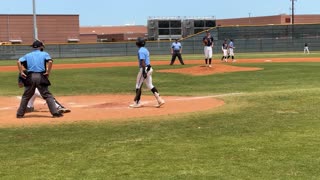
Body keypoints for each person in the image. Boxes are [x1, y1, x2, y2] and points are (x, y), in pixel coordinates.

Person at [16, 40, 63, 118]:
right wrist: (48, 72)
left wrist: (21, 72)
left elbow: (18, 62)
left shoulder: (28, 55)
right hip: (40, 76)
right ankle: (55, 113)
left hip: (30, 76)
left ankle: (19, 114)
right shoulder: (44, 54)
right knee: (47, 95)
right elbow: (50, 62)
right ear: (40, 47)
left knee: (26, 96)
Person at [129, 37, 165, 108]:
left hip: (144, 69)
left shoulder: (140, 51)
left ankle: (137, 102)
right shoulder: (145, 50)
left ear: (138, 43)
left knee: (138, 85)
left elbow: (142, 62)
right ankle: (160, 100)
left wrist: (144, 72)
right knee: (149, 85)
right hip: (149, 68)